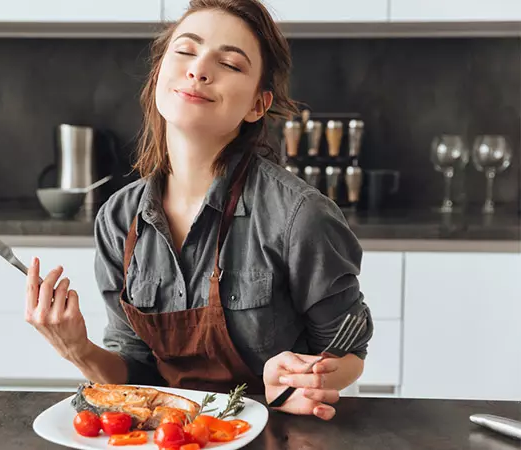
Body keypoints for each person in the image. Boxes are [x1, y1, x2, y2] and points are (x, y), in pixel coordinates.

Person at [25, 0, 374, 421]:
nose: (199, 70)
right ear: (159, 75)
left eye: (229, 63)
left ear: (257, 106)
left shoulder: (300, 217)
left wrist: (305, 378)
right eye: (186, 51)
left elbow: (349, 353)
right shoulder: (119, 219)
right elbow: (133, 373)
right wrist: (77, 349)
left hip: (273, 433)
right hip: (165, 437)